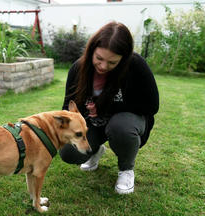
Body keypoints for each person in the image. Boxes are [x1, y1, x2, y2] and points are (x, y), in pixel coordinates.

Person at [60, 21, 159, 194]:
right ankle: (96, 150)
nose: (104, 66)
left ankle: (126, 169)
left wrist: (109, 106)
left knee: (120, 126)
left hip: (125, 121)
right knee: (68, 152)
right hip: (94, 123)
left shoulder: (136, 66)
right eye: (99, 58)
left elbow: (152, 104)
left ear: (124, 58)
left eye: (112, 62)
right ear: (92, 50)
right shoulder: (78, 68)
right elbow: (68, 106)